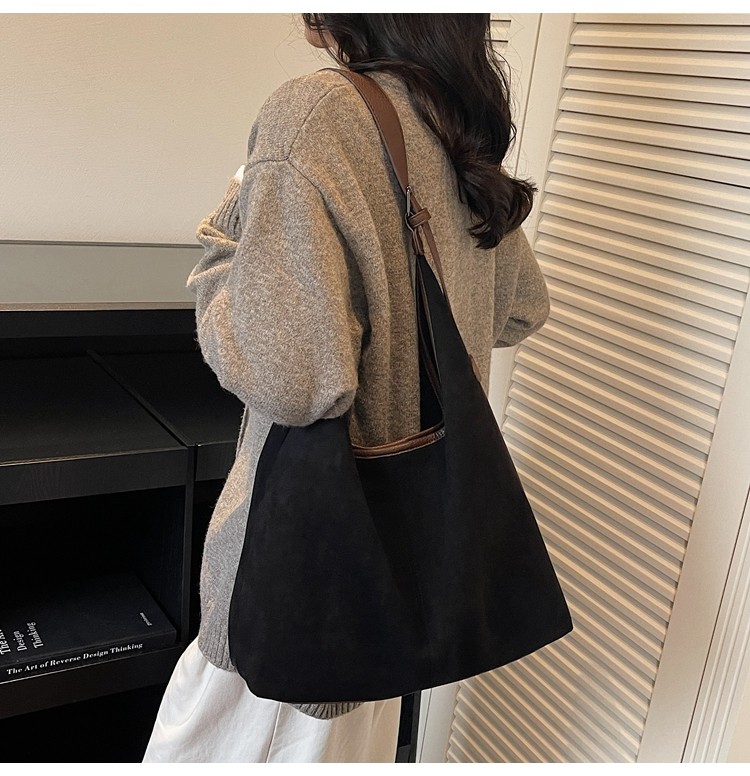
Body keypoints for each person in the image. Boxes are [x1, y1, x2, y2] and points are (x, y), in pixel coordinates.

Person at [142, 13, 551, 764]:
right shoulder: (450, 120)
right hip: (401, 584)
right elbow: (522, 307)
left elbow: (295, 381)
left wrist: (228, 240)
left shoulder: (315, 113)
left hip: (302, 589)